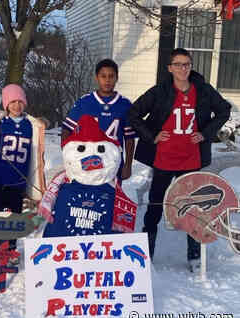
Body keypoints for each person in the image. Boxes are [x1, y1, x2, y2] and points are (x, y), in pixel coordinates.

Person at [128, 48, 231, 271]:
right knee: (155, 206)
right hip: (164, 158)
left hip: (191, 159)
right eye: (178, 64)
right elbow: (133, 113)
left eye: (187, 64)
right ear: (170, 68)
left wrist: (206, 133)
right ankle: (146, 254)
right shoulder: (160, 91)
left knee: (193, 208)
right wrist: (151, 136)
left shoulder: (202, 90)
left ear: (191, 66)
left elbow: (224, 110)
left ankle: (194, 257)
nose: (183, 68)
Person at [0, 84, 46, 264]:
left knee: (14, 216)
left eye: (20, 102)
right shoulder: (0, 123)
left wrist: (44, 123)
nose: (17, 106)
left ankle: (10, 248)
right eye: (12, 102)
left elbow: (38, 141)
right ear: (6, 104)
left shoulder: (30, 125)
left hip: (17, 182)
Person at [62, 58, 136, 181]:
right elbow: (67, 130)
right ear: (97, 77)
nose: (107, 80)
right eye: (103, 76)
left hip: (112, 161)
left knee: (109, 197)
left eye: (111, 76)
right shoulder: (85, 102)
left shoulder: (125, 104)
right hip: (87, 159)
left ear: (117, 78)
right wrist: (69, 157)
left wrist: (128, 165)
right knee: (87, 198)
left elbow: (129, 138)